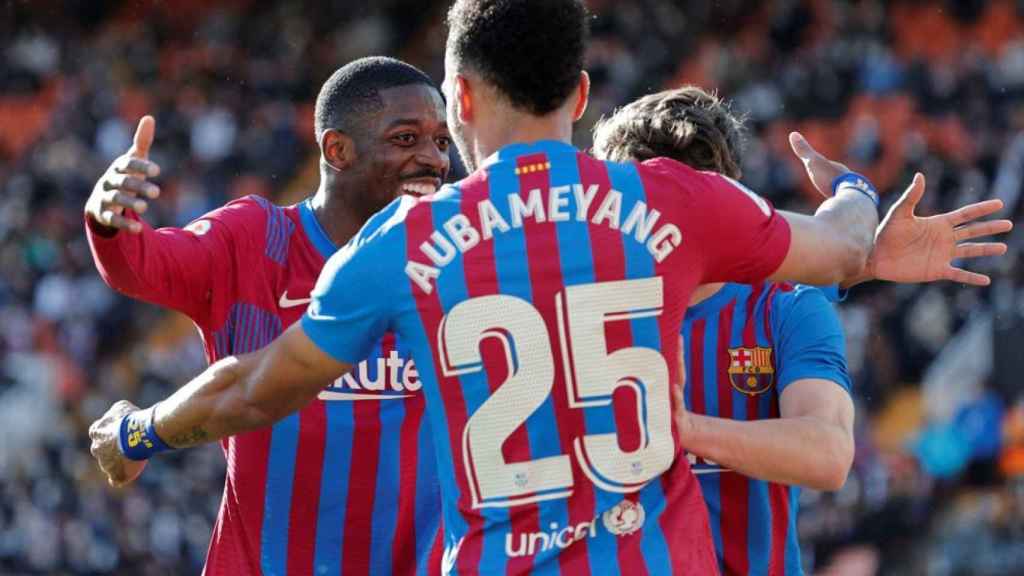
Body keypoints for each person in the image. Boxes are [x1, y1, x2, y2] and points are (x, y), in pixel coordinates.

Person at [88, 1, 1007, 573]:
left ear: (458, 97)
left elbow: (252, 387)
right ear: (580, 91)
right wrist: (854, 196)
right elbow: (847, 248)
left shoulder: (403, 242)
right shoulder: (674, 202)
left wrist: (138, 430)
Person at [590, 86, 1012, 575]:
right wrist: (862, 256)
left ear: (724, 200)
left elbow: (829, 453)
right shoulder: (577, 308)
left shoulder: (785, 307)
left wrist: (686, 431)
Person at [85, 57, 451, 575]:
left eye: (441, 141)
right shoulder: (256, 239)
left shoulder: (454, 257)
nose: (433, 159)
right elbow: (142, 266)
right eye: (406, 138)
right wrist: (108, 219)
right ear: (337, 149)